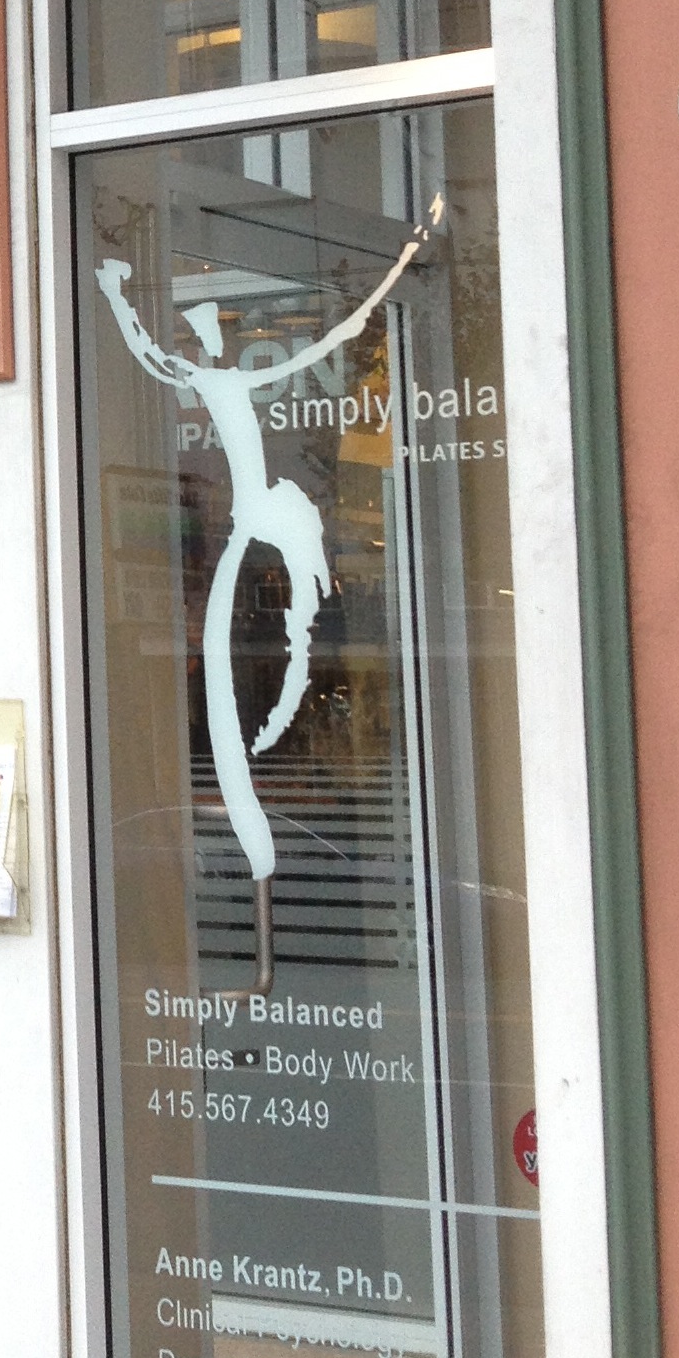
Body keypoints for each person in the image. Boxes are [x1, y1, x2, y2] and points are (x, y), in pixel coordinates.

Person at [95, 194, 442, 990]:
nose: (212, 337)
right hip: (254, 521)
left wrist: (392, 272)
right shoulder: (204, 374)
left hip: (267, 515)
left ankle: (285, 703)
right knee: (236, 652)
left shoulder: (216, 374)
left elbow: (329, 338)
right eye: (208, 328)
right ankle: (273, 729)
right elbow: (150, 350)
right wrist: (112, 291)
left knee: (287, 619)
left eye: (211, 328)